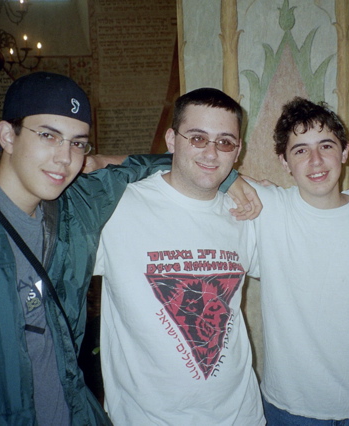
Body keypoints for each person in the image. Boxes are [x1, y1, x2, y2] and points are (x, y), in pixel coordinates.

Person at [0, 73, 258, 425]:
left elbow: (150, 167)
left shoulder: (77, 210)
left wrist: (227, 176)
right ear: (7, 135)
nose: (64, 157)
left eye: (78, 143)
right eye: (48, 135)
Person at [93, 87, 264, 424]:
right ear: (172, 140)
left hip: (240, 416)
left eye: (225, 142)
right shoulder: (115, 208)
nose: (212, 154)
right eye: (197, 138)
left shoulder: (247, 212)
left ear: (238, 151)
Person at [251, 98, 349, 425]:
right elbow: (201, 171)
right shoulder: (269, 209)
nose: (315, 161)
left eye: (326, 146)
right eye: (300, 150)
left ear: (344, 152)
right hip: (290, 406)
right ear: (284, 162)